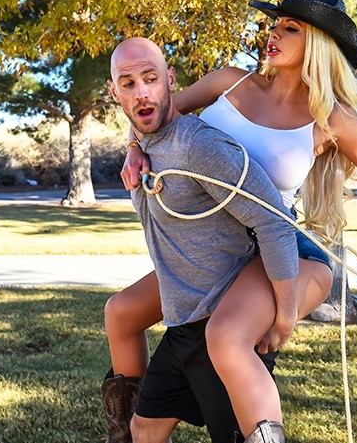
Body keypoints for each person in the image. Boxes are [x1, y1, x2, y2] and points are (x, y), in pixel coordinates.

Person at [105, 0, 357, 442]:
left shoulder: (332, 117)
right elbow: (154, 111)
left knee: (225, 336)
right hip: (222, 245)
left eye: (290, 28)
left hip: (283, 249)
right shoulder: (231, 81)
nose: (273, 34)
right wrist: (132, 150)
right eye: (274, 25)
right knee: (122, 312)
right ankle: (129, 432)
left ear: (319, 44)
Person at [106, 36, 300, 443]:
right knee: (141, 430)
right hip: (182, 323)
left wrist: (285, 315)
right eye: (128, 84)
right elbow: (140, 119)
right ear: (114, 92)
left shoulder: (200, 146)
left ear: (170, 80)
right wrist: (133, 145)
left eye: (151, 79)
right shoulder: (146, 143)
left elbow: (274, 223)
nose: (141, 93)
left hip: (219, 322)